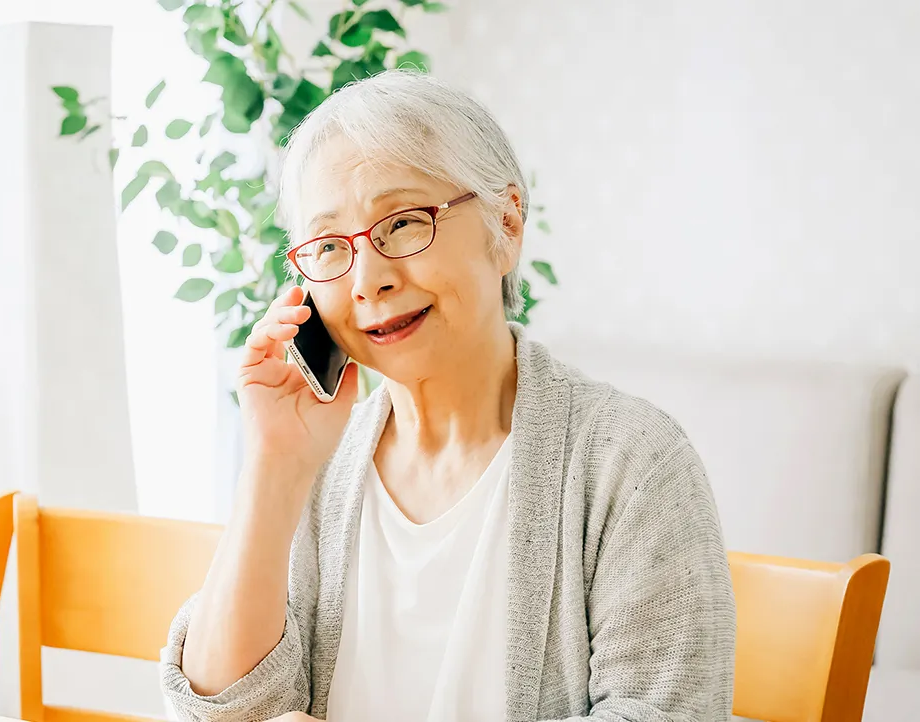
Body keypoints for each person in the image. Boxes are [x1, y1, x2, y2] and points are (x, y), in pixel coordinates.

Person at [159, 70, 735, 722]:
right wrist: (274, 468)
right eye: (328, 246)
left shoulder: (628, 461)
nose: (368, 281)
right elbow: (220, 712)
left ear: (506, 225)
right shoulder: (314, 463)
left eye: (402, 224)